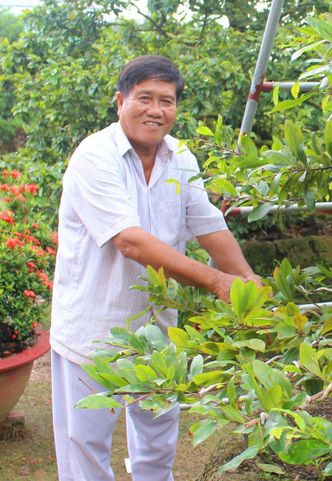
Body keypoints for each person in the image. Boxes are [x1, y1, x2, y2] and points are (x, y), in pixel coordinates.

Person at [50, 55, 262, 481]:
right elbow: (129, 241)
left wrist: (247, 281)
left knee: (157, 446)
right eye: (143, 98)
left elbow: (208, 225)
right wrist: (218, 282)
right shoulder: (95, 156)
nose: (155, 110)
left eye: (166, 100)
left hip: (158, 331)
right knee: (85, 451)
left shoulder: (180, 156)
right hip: (93, 330)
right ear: (120, 101)